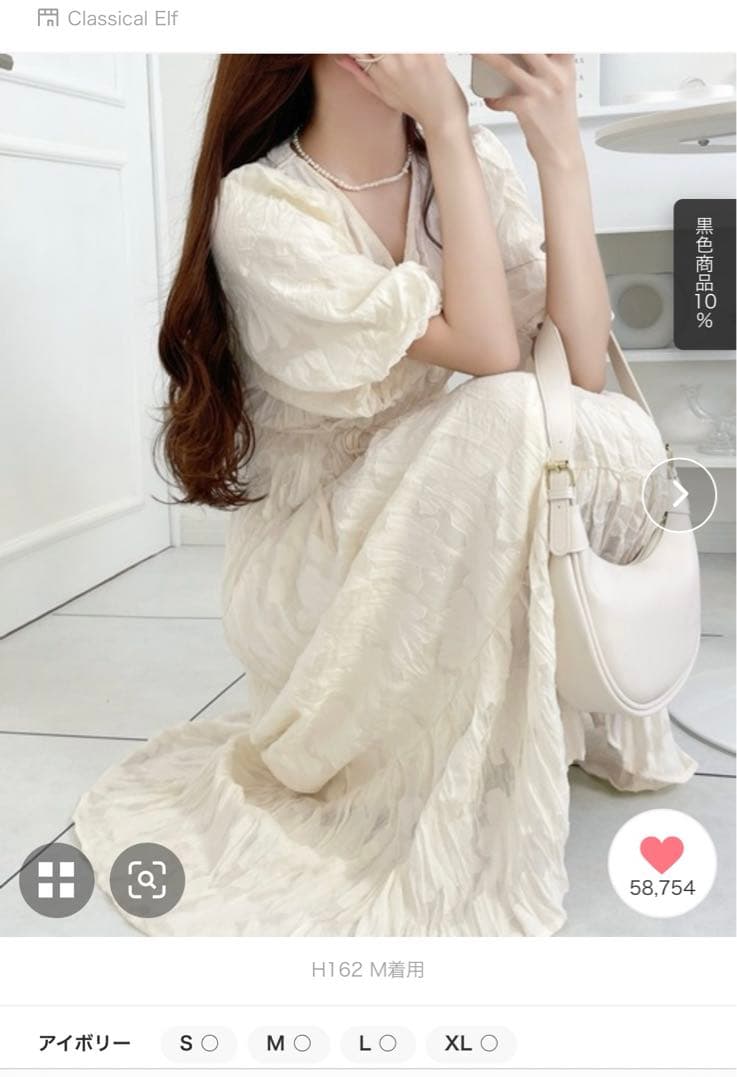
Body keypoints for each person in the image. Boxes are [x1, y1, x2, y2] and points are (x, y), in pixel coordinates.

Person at [74, 53, 696, 936]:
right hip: (317, 561)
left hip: (429, 499)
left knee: (615, 430)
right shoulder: (263, 206)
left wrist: (558, 151)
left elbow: (581, 373)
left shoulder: (460, 162)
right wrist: (446, 124)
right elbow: (489, 355)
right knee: (505, 411)